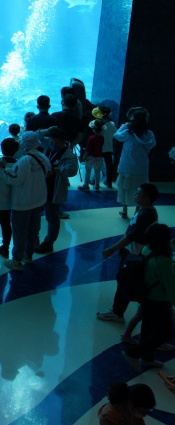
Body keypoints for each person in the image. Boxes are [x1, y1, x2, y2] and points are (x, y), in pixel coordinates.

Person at [97, 184, 160, 334]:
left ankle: (117, 312)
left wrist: (111, 249)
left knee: (125, 281)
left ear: (146, 199)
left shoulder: (145, 215)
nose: (135, 195)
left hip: (137, 256)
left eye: (138, 193)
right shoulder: (146, 211)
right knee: (126, 281)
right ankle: (118, 311)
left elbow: (130, 237)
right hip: (136, 254)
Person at [123, 223, 175, 369]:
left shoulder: (146, 249)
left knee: (148, 328)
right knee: (164, 334)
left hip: (144, 296)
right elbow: (171, 288)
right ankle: (133, 353)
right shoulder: (163, 261)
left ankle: (147, 358)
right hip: (158, 301)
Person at [3, 132, 49, 271]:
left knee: (20, 231)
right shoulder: (43, 157)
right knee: (34, 229)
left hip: (23, 202)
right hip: (39, 199)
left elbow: (16, 180)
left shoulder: (24, 160)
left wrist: (6, 169)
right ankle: (28, 255)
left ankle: (16, 261)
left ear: (24, 145)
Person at [35, 126, 79, 254]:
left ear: (63, 141)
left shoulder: (69, 155)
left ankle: (49, 242)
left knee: (52, 217)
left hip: (54, 189)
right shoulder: (48, 146)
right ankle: (34, 237)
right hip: (41, 187)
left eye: (57, 143)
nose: (54, 145)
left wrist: (57, 170)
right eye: (51, 142)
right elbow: (36, 135)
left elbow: (73, 170)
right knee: (35, 214)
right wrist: (47, 130)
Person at [114, 107, 156, 219]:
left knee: (125, 187)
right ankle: (137, 211)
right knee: (140, 188)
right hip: (141, 166)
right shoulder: (149, 134)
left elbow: (117, 135)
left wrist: (125, 125)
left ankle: (124, 210)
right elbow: (152, 145)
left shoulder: (128, 132)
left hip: (127, 165)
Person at [80, 119, 106, 191]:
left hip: (91, 157)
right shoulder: (102, 138)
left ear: (93, 129)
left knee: (88, 172)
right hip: (99, 156)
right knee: (97, 172)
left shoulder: (91, 137)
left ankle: (86, 185)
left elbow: (89, 149)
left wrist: (84, 157)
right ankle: (97, 185)